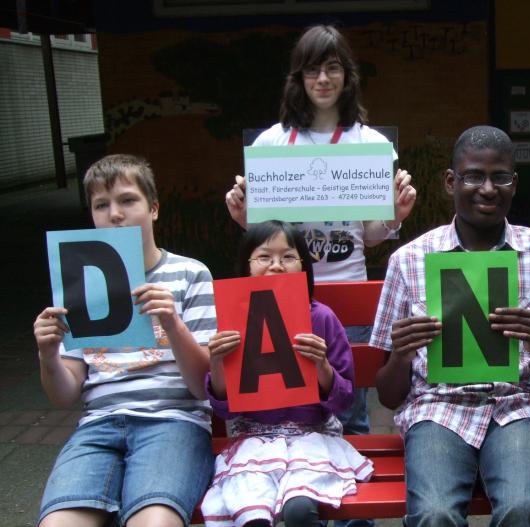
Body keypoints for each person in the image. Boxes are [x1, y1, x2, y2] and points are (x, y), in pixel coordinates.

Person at [223, 27, 415, 527]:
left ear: (347, 76)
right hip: (281, 301)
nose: (323, 78)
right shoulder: (272, 142)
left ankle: (355, 520)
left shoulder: (369, 144)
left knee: (347, 418)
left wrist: (394, 215)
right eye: (313, 68)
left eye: (333, 68)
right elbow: (263, 235)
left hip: (345, 298)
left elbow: (371, 234)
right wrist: (244, 219)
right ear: (299, 77)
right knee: (283, 414)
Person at [370, 125, 530, 527]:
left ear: (514, 184)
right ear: (451, 181)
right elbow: (387, 395)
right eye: (473, 176)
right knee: (433, 515)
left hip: (519, 407)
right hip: (436, 408)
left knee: (524, 510)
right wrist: (401, 353)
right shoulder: (410, 260)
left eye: (500, 176)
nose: (488, 188)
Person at [33, 154, 217, 526]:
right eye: (101, 205)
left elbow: (203, 387)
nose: (114, 214)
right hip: (98, 425)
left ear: (153, 209)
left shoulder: (191, 273)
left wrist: (172, 324)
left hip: (174, 421)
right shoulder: (76, 281)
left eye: (127, 200)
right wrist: (48, 354)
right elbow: (64, 394)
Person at [200, 220, 372, 527]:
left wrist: (322, 367)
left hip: (313, 438)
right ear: (246, 266)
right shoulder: (232, 319)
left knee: (301, 510)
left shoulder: (322, 318)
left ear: (304, 266)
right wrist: (216, 363)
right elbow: (223, 407)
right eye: (264, 257)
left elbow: (345, 399)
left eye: (288, 257)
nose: (276, 266)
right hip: (252, 442)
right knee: (250, 514)